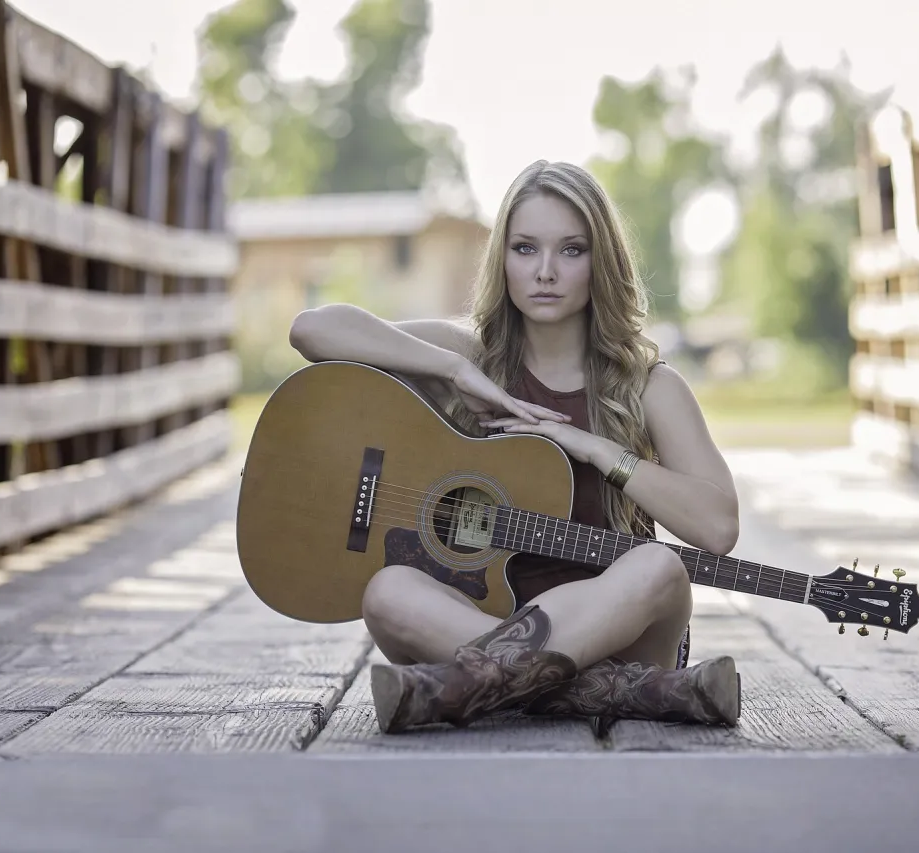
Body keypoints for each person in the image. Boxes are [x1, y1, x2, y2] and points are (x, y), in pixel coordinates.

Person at [288, 159, 742, 735]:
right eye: (525, 249)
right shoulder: (472, 359)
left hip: (626, 636)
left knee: (657, 565)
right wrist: (452, 368)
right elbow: (312, 330)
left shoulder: (650, 385)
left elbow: (719, 528)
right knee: (387, 591)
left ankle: (473, 687)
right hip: (482, 621)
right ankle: (624, 695)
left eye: (571, 250)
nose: (546, 271)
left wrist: (600, 451)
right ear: (501, 258)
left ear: (601, 261)